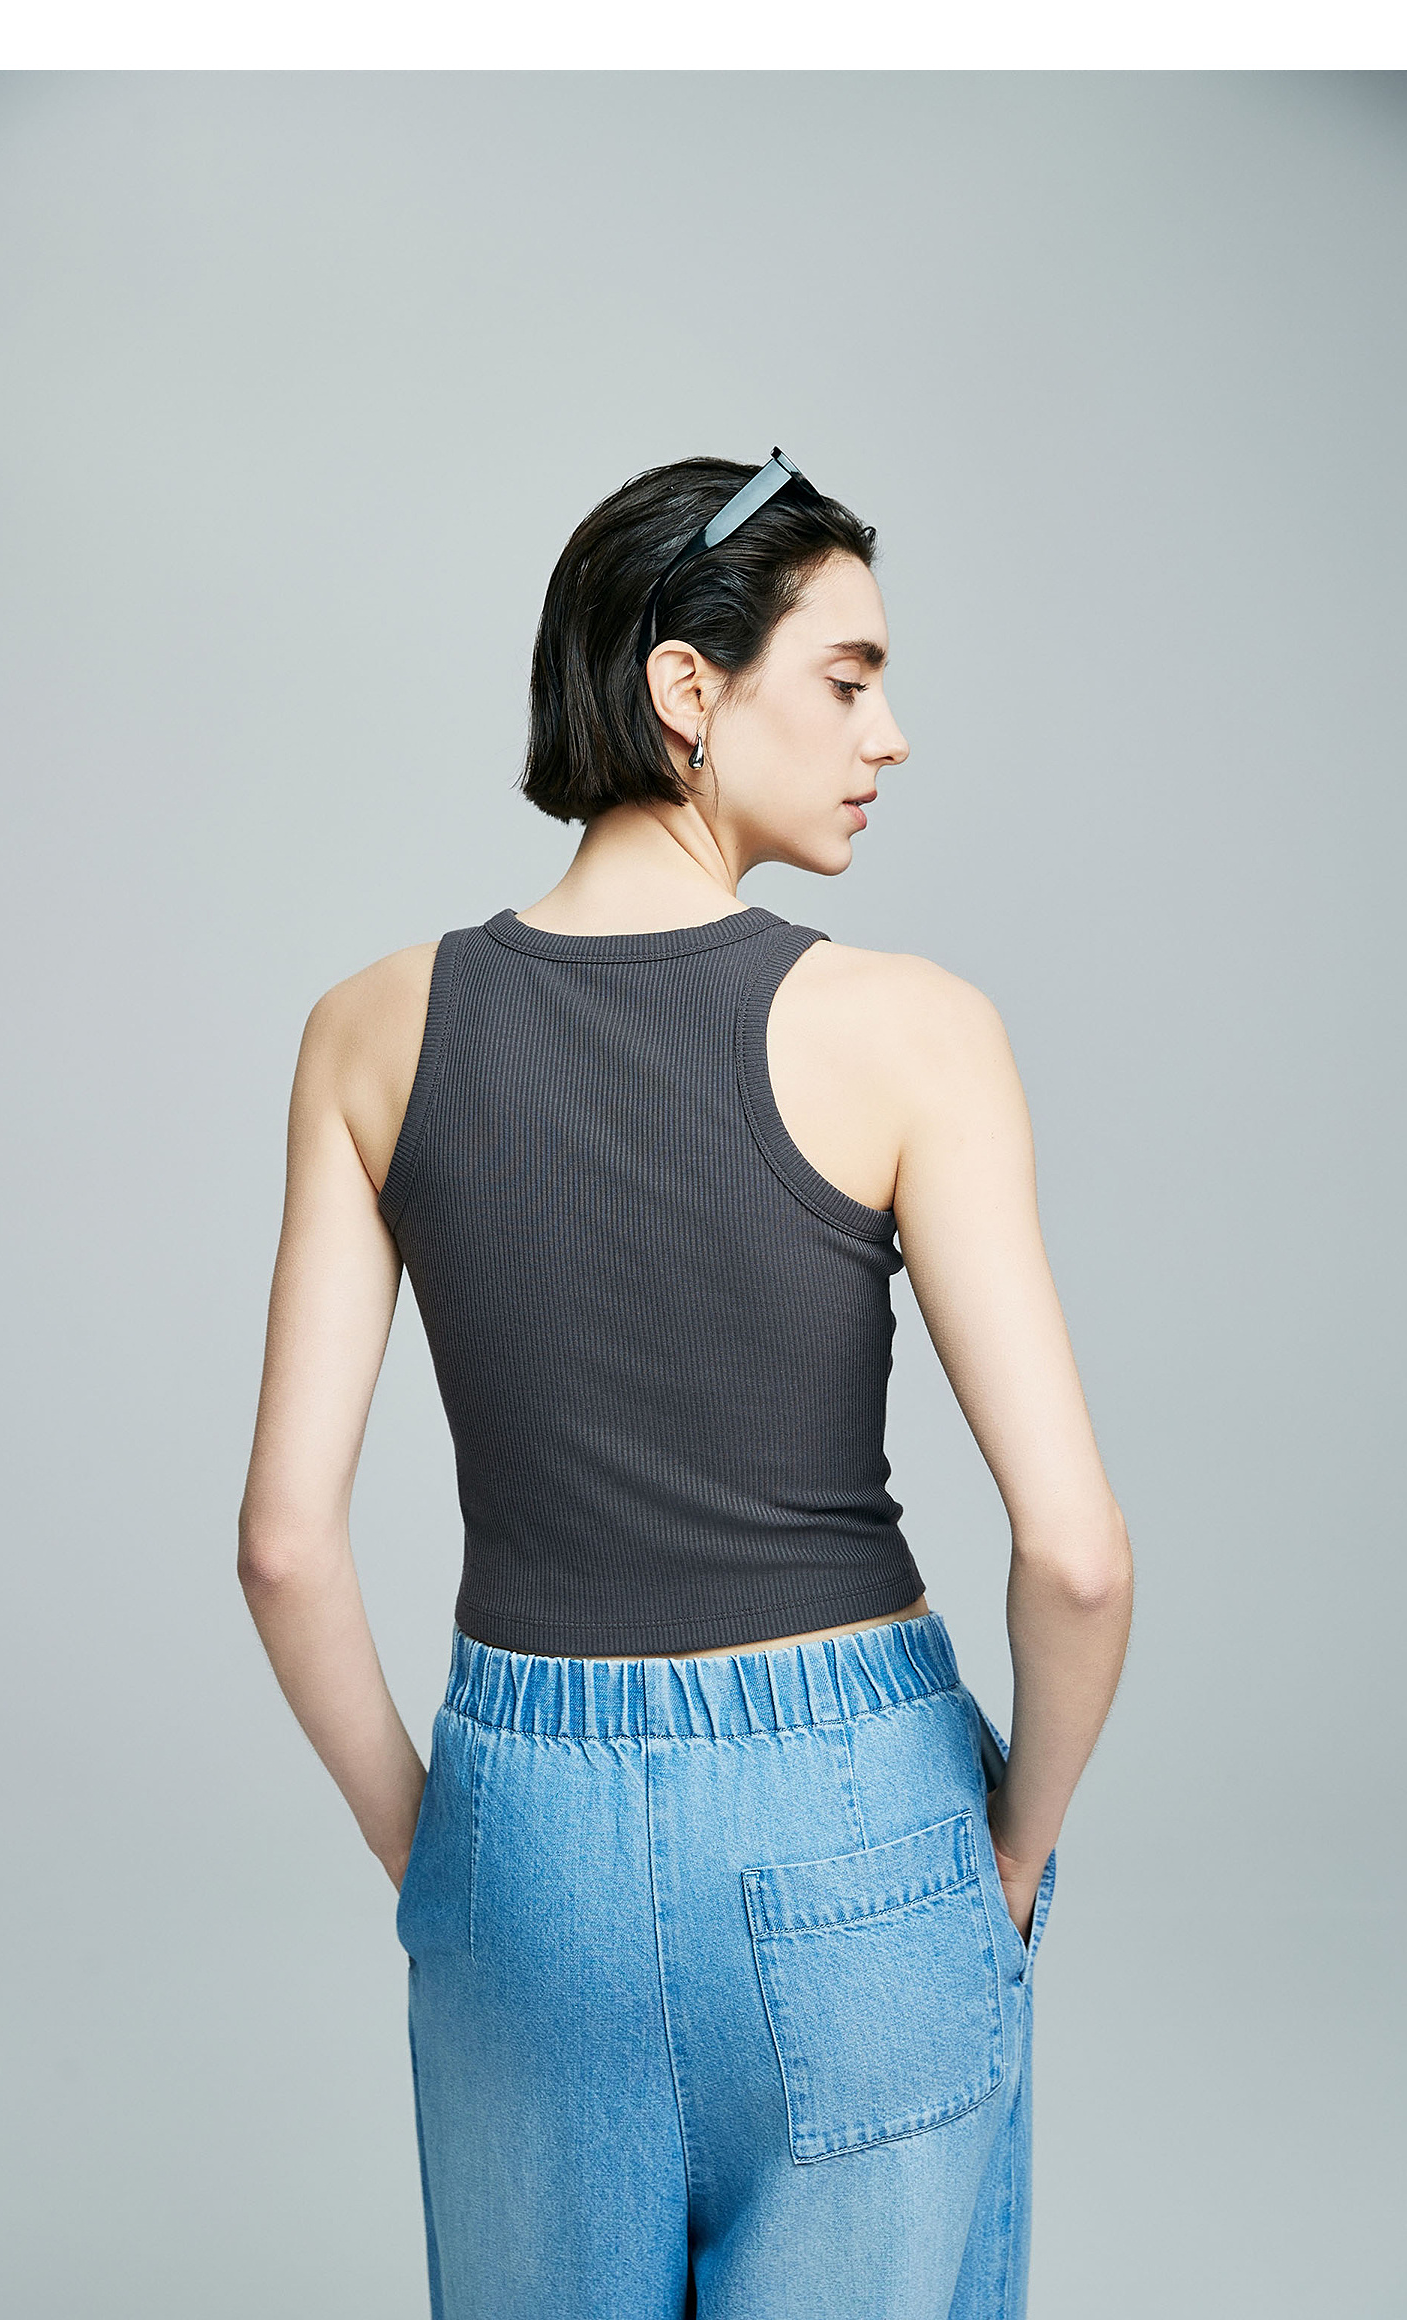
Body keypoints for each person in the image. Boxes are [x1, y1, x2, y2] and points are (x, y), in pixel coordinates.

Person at [237, 447, 1134, 2318]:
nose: (891, 733)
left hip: (525, 1841)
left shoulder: (365, 1034)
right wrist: (1014, 1863)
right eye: (849, 677)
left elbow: (285, 1549)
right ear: (686, 689)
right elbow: (1076, 1561)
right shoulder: (915, 1032)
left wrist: (442, 1859)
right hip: (864, 1826)